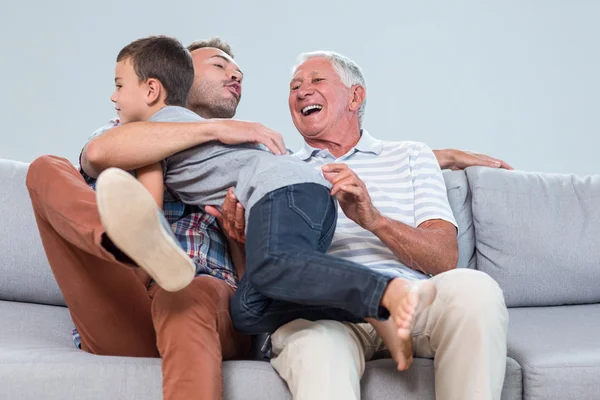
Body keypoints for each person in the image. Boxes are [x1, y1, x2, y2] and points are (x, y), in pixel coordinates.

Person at [96, 37, 443, 347]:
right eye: (219, 65)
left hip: (285, 193)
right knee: (247, 311)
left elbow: (149, 202)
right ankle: (369, 311)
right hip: (307, 203)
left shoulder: (164, 127)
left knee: (275, 265)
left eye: (119, 85)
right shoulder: (207, 134)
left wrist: (151, 248)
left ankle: (386, 291)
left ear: (153, 89)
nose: (113, 96)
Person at [209, 51, 510, 400]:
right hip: (320, 315)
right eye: (294, 86)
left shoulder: (411, 156)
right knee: (318, 349)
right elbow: (262, 283)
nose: (302, 91)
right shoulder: (278, 171)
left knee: (475, 290)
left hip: (409, 301)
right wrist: (243, 241)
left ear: (355, 96)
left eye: (316, 80)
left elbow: (443, 258)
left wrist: (374, 220)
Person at [25, 36, 285, 400]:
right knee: (45, 168)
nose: (234, 74)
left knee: (187, 292)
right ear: (177, 77)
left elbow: (255, 297)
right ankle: (128, 243)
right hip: (123, 296)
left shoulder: (246, 156)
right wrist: (212, 129)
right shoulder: (119, 129)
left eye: (238, 70)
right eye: (219, 64)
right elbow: (99, 154)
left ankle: (150, 249)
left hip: (202, 299)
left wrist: (239, 241)